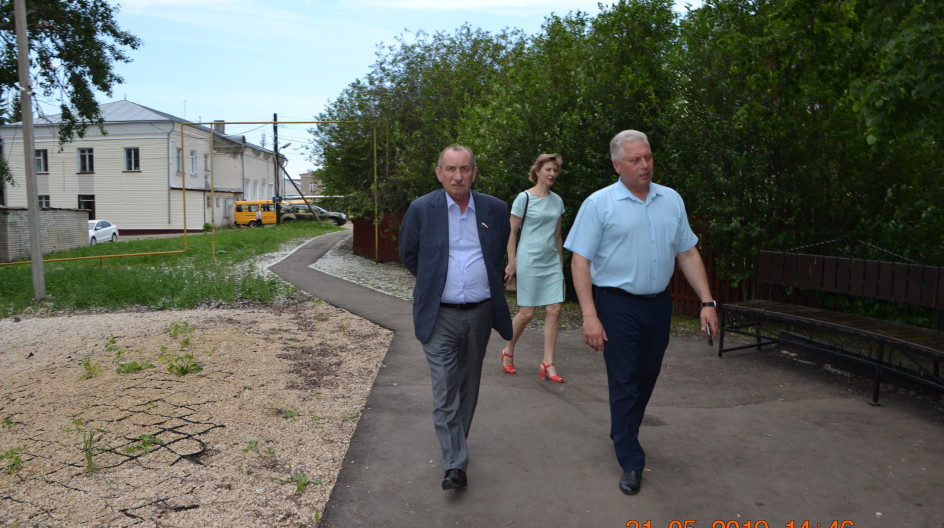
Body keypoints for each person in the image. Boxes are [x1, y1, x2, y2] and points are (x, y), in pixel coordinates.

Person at [563, 130, 718, 496]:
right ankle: (631, 459)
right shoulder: (599, 204)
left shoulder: (671, 200)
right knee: (624, 379)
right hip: (616, 303)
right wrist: (589, 315)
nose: (644, 164)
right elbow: (580, 261)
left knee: (647, 374)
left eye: (647, 157)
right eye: (635, 159)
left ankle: (623, 427)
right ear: (618, 165)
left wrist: (707, 302)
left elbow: (688, 253)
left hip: (659, 303)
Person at [398, 144, 514, 491]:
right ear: (439, 173)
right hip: (439, 315)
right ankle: (455, 465)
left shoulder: (494, 209)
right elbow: (409, 254)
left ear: (474, 173)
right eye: (450, 169)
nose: (458, 175)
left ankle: (456, 446)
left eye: (465, 168)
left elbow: (496, 251)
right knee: (445, 388)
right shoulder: (421, 209)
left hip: (480, 313)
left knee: (468, 386)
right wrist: (436, 283)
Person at [501, 153, 566, 383]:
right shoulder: (524, 198)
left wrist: (560, 262)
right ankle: (508, 350)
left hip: (551, 263)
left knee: (554, 310)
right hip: (528, 260)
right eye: (548, 169)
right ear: (537, 171)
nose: (552, 174)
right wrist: (512, 261)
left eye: (555, 171)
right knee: (528, 312)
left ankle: (548, 362)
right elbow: (511, 232)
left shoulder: (557, 201)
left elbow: (557, 236)